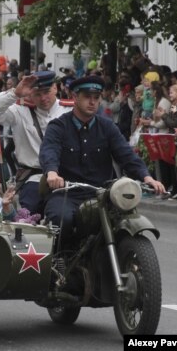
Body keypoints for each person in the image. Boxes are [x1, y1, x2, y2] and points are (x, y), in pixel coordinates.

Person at [40, 76, 165, 240]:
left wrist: (147, 177)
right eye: (87, 97)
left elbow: (125, 154)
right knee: (61, 220)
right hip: (67, 194)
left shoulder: (107, 126)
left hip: (102, 195)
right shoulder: (58, 126)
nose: (92, 102)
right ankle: (60, 260)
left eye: (96, 97)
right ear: (75, 97)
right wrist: (52, 173)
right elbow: (50, 151)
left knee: (125, 218)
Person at [0, 71, 72, 216]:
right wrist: (15, 93)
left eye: (47, 92)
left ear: (56, 88)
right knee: (27, 217)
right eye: (38, 94)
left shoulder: (70, 110)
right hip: (33, 177)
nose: (43, 98)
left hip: (65, 176)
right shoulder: (20, 111)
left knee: (67, 218)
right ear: (30, 94)